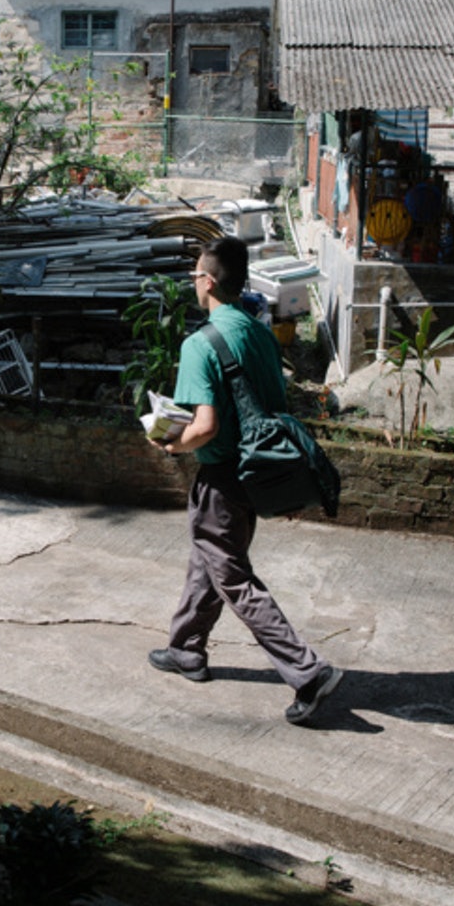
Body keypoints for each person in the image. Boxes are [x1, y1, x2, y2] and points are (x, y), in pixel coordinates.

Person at [149, 236, 344, 725]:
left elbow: (205, 427)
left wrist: (172, 444)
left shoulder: (201, 343)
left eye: (195, 275)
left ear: (209, 282)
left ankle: (308, 672)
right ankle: (186, 649)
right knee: (209, 562)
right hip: (257, 473)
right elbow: (274, 408)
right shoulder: (259, 334)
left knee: (233, 577)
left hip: (222, 479)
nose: (193, 283)